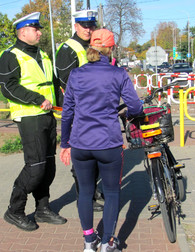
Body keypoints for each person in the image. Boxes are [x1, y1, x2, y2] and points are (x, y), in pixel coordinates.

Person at [59, 29, 143, 252]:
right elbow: (135, 106)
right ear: (111, 48)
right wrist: (124, 112)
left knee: (85, 192)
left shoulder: (76, 75)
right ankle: (107, 242)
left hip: (80, 144)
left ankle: (88, 242)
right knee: (113, 192)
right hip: (108, 144)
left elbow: (67, 112)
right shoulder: (119, 74)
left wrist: (65, 144)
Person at [0, 12, 67, 232]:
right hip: (29, 117)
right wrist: (37, 100)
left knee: (48, 166)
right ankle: (14, 211)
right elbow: (9, 87)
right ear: (23, 32)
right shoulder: (9, 55)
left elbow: (53, 84)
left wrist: (67, 105)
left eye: (39, 29)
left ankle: (42, 208)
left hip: (47, 116)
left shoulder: (43, 55)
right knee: (35, 167)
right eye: (35, 29)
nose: (39, 32)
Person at [56, 9, 104, 212]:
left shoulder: (93, 46)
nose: (89, 29)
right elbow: (67, 83)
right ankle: (84, 197)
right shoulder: (68, 49)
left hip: (94, 110)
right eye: (85, 25)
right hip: (78, 112)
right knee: (82, 157)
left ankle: (91, 190)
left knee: (96, 154)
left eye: (92, 25)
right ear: (75, 26)